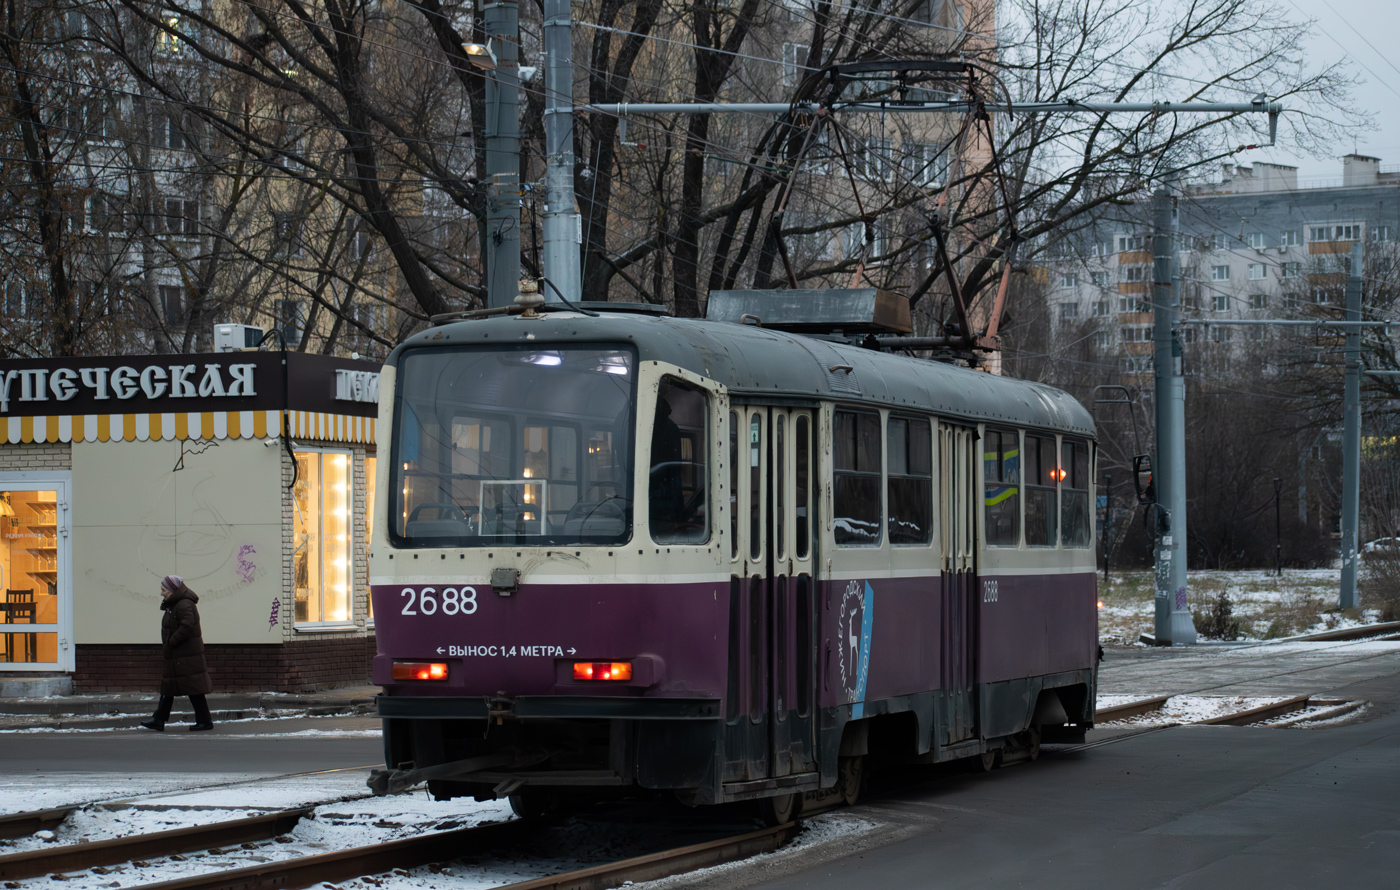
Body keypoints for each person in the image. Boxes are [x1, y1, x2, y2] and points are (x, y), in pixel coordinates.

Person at [140, 575, 214, 732]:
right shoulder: (175, 604)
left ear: (173, 589)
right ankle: (159, 719)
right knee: (170, 687)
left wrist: (172, 642)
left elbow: (187, 626)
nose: (161, 593)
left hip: (185, 655)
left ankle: (204, 721)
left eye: (164, 590)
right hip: (179, 655)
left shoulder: (184, 604)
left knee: (193, 689)